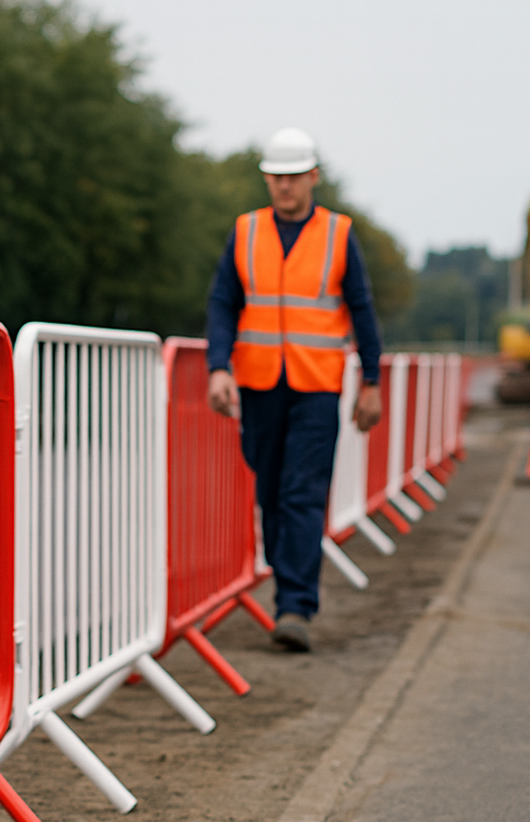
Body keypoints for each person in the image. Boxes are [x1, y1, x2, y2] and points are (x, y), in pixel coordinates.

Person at [206, 127, 383, 653]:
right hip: (260, 382)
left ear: (313, 177)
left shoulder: (337, 234)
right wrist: (219, 367)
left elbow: (363, 309)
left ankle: (295, 605)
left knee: (301, 494)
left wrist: (370, 382)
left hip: (316, 384)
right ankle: (289, 585)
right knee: (270, 492)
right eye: (276, 178)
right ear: (266, 179)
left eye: (294, 178)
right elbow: (222, 303)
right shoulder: (245, 232)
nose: (284, 188)